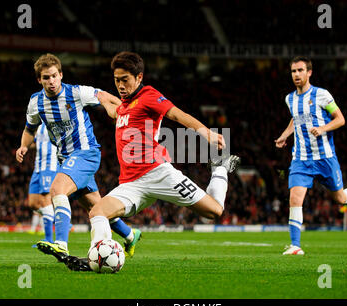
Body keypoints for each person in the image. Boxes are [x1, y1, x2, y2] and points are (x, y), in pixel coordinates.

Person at [65, 51, 240, 271]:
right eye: (116, 80)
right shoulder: (123, 107)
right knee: (97, 212)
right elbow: (114, 111)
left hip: (159, 173)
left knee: (214, 211)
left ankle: (220, 168)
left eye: (125, 79)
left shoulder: (148, 95)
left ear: (139, 78)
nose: (120, 84)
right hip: (131, 183)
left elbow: (176, 114)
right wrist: (99, 97)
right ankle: (96, 259)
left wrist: (206, 133)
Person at [15, 53, 142, 262]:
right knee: (95, 207)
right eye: (46, 77)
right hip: (65, 159)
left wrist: (116, 108)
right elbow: (30, 128)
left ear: (61, 75)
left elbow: (103, 96)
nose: (51, 81)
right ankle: (130, 234)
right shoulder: (36, 102)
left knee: (57, 189)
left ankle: (61, 245)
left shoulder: (76, 92)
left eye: (54, 75)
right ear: (39, 80)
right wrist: (23, 146)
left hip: (86, 153)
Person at [274, 56, 347, 255]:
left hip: (325, 158)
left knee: (340, 198)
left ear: (309, 72)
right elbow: (297, 119)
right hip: (301, 159)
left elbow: (340, 119)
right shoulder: (290, 98)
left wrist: (323, 128)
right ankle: (295, 245)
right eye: (293, 71)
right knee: (295, 198)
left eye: (300, 70)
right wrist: (284, 135)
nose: (296, 75)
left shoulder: (322, 95)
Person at [27, 123, 58, 244]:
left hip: (49, 166)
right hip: (38, 167)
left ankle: (49, 239)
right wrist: (25, 146)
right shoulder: (39, 126)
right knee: (33, 204)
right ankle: (57, 218)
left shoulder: (55, 122)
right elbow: (34, 143)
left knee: (45, 200)